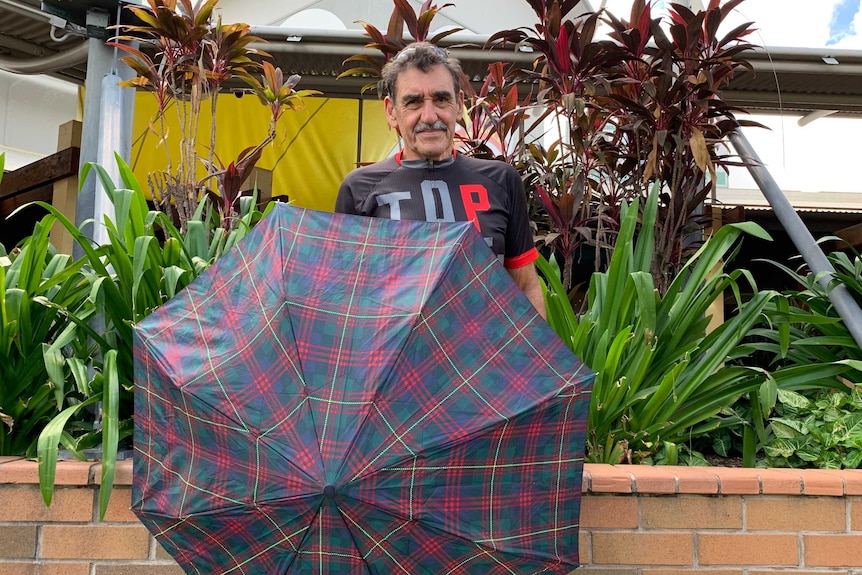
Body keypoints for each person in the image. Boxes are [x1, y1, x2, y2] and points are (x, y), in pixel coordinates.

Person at [335, 42, 546, 318]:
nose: (430, 116)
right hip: (403, 360)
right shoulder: (358, 189)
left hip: (485, 358)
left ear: (459, 105)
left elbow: (526, 287)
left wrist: (534, 359)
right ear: (390, 111)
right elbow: (345, 296)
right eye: (413, 102)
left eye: (441, 99)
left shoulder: (502, 181)